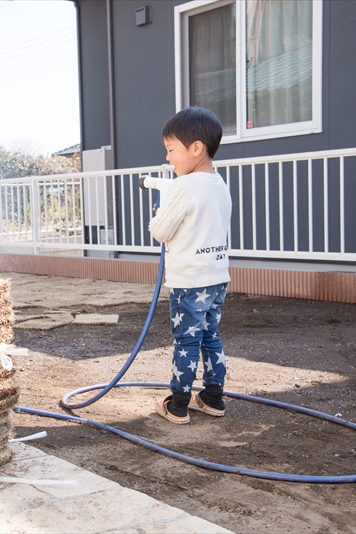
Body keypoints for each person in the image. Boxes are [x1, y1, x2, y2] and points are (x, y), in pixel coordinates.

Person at [148, 106, 232, 424]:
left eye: (171, 150)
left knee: (186, 341)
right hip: (216, 276)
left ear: (196, 148)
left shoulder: (184, 186)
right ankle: (212, 398)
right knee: (210, 335)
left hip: (189, 281)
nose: (169, 158)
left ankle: (178, 404)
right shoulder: (219, 184)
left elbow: (161, 231)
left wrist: (160, 212)